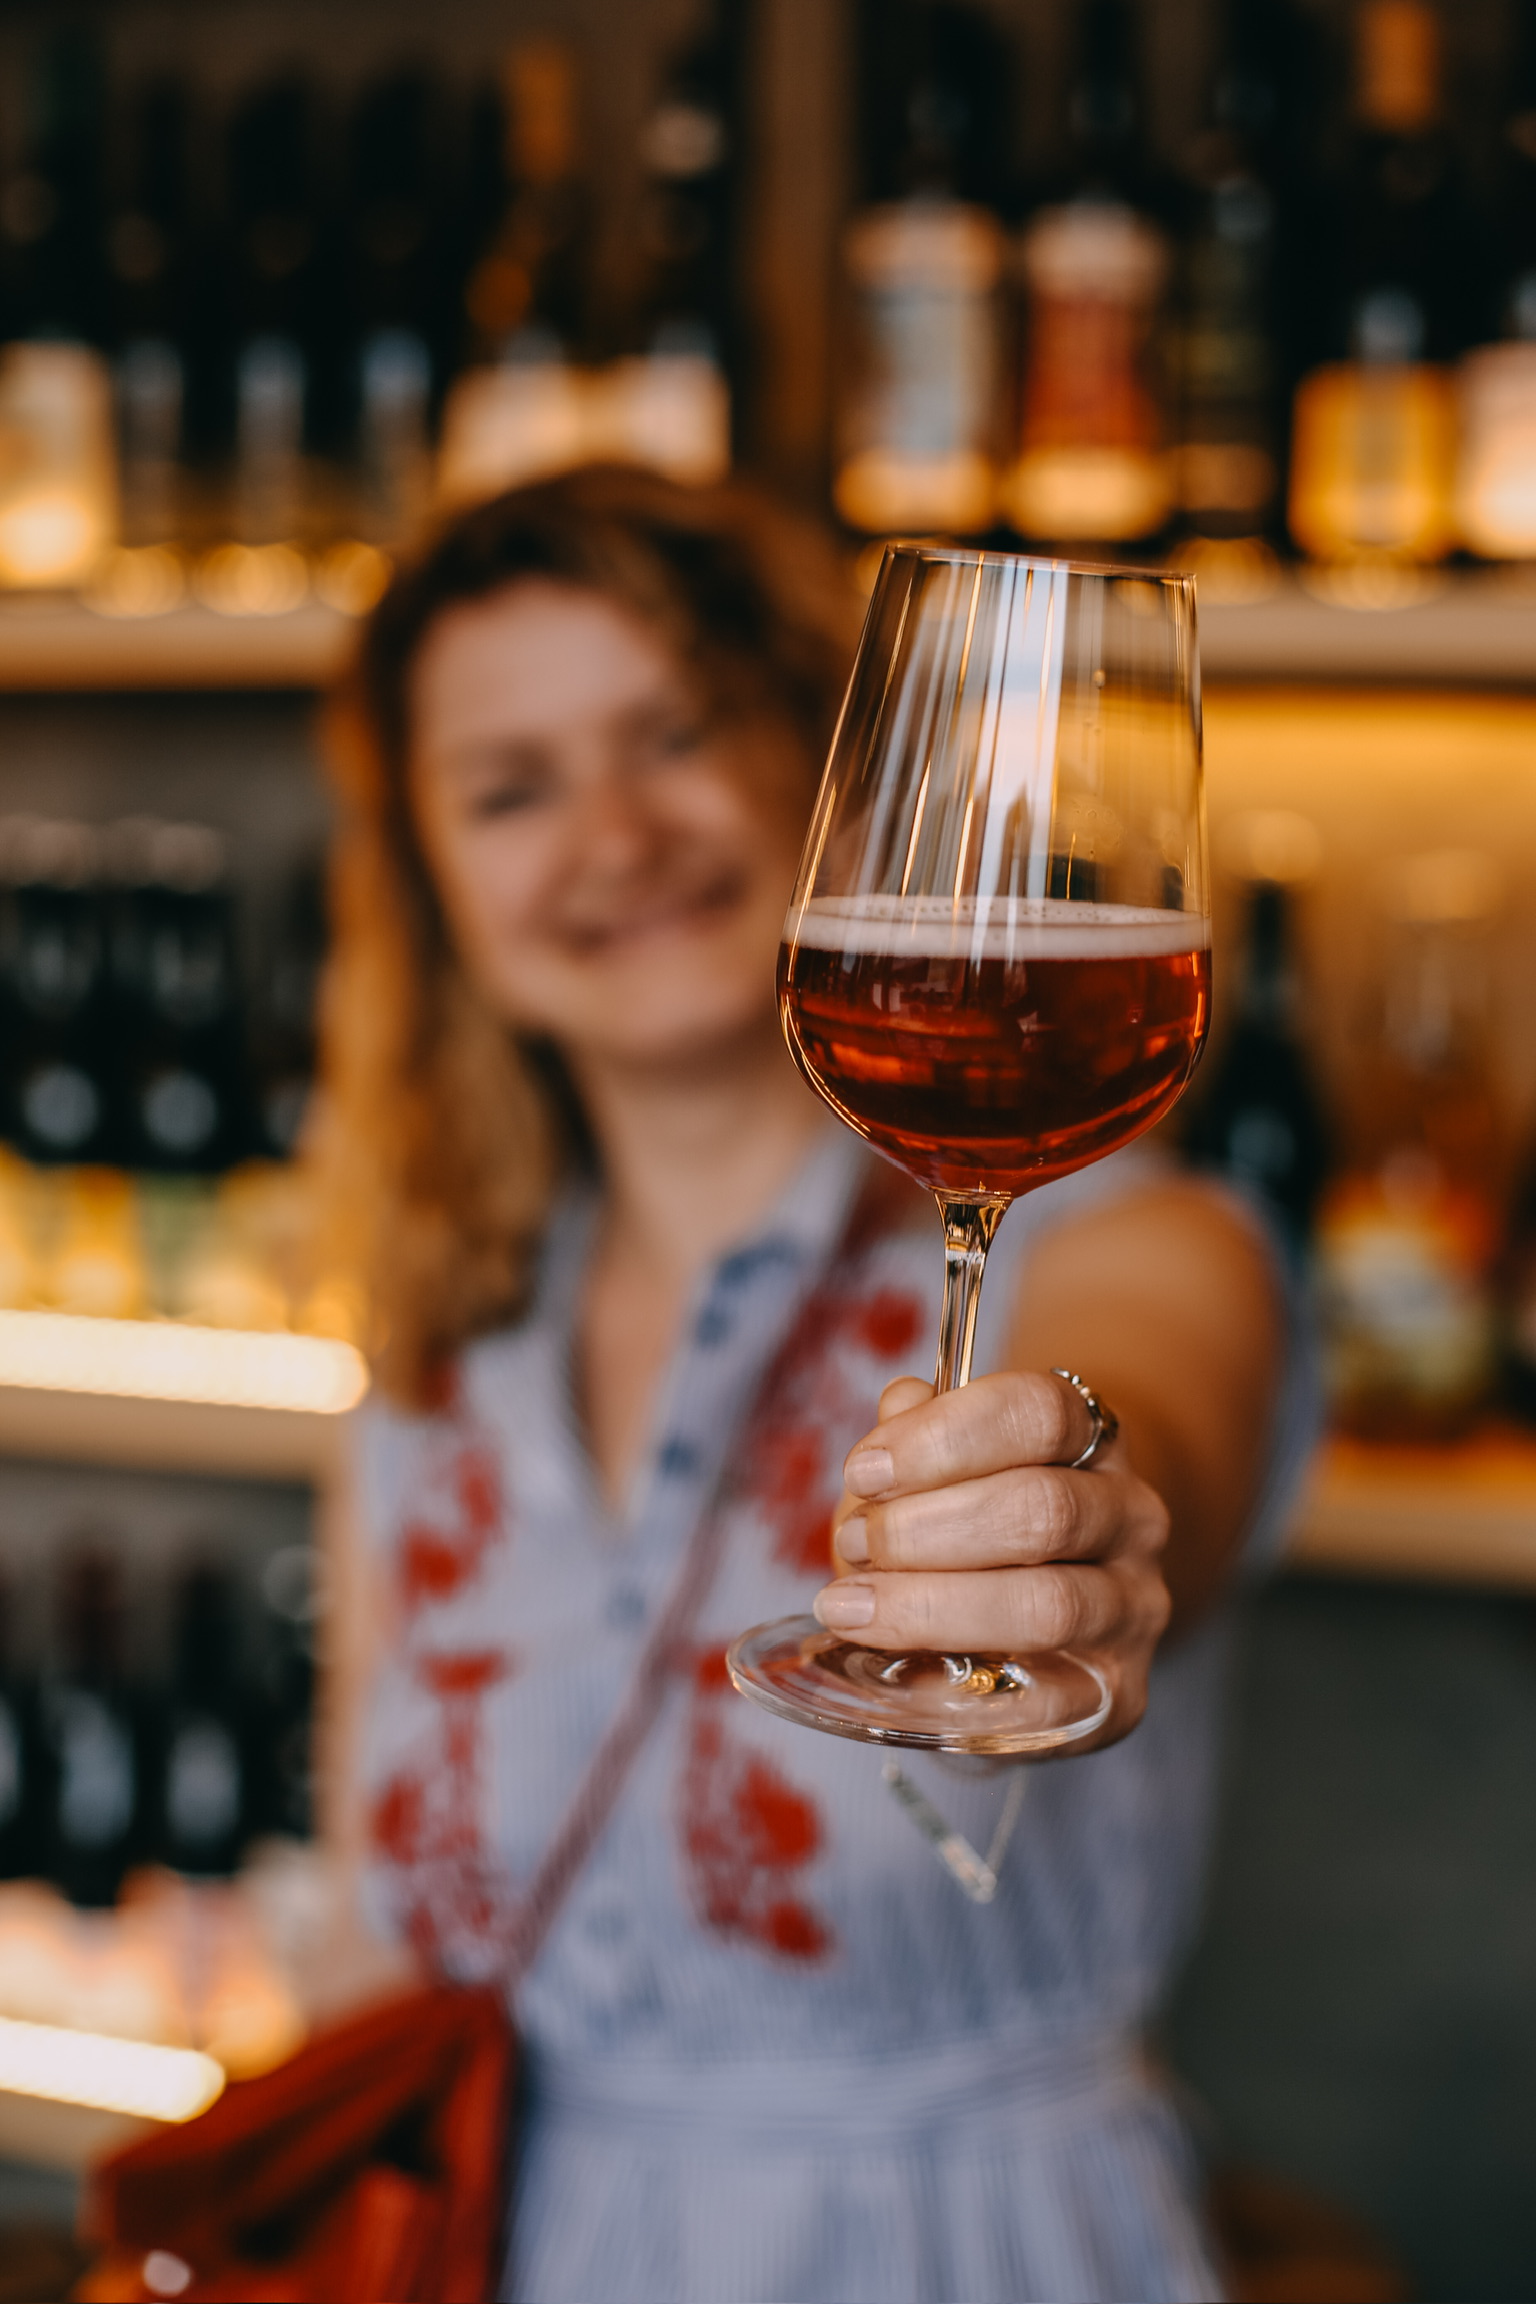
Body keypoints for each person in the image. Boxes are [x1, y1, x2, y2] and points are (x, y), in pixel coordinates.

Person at [321, 463, 1313, 2304]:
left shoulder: (1135, 1245)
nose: (617, 834)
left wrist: (1069, 1519)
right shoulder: (439, 1362)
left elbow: (1150, 1413)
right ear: (435, 884)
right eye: (514, 787)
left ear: (838, 773)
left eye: (677, 732)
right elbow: (371, 1937)